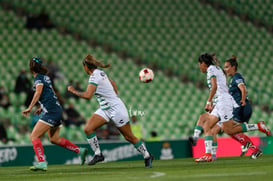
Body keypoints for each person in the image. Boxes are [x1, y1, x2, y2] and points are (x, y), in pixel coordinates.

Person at [67, 54, 154, 168]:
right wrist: (114, 94)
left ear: (86, 67)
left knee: (129, 137)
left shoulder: (94, 76)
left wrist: (73, 91)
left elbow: (88, 96)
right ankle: (98, 154)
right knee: (88, 129)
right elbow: (113, 83)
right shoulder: (100, 73)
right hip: (105, 109)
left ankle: (147, 156)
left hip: (116, 109)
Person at [193, 53, 271, 162]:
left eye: (227, 67)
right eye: (224, 67)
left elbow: (242, 89)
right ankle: (210, 154)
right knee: (213, 127)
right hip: (228, 104)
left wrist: (243, 99)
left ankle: (253, 142)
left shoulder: (236, 77)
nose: (225, 69)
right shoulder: (226, 76)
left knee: (229, 130)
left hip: (238, 107)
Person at [22, 56, 88, 171]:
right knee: (54, 139)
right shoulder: (45, 77)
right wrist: (41, 107)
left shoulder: (38, 78)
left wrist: (30, 107)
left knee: (34, 136)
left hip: (52, 112)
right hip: (56, 110)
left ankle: (42, 162)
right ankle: (79, 150)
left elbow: (38, 92)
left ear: (30, 68)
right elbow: (51, 93)